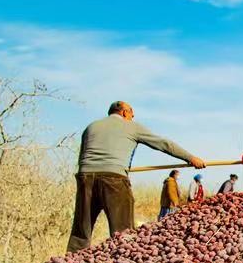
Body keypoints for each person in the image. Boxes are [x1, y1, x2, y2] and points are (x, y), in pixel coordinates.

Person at [67, 101, 204, 252]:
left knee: (81, 229)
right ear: (124, 112)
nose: (133, 116)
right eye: (132, 113)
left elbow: (82, 157)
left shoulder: (91, 127)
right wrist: (190, 158)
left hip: (85, 178)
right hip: (114, 178)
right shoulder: (131, 126)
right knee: (123, 231)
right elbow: (163, 144)